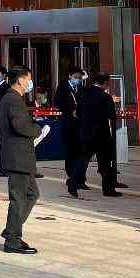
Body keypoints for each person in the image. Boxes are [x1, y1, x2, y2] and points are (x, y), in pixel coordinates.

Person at [0, 65, 46, 254]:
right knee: (19, 198)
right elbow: (21, 126)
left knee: (32, 194)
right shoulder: (12, 99)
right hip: (17, 157)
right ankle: (12, 239)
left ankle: (11, 230)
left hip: (21, 157)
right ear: (20, 80)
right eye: (28, 79)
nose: (29, 83)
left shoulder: (13, 98)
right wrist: (38, 129)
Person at [79, 73, 121, 198]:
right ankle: (108, 189)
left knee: (84, 160)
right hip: (102, 134)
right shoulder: (106, 97)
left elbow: (79, 112)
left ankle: (74, 181)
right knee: (105, 163)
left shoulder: (84, 95)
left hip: (86, 133)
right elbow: (112, 116)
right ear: (105, 83)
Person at [55, 66, 85, 197]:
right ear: (70, 76)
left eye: (79, 78)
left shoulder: (80, 88)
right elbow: (58, 103)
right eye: (75, 77)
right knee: (70, 152)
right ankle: (71, 176)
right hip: (68, 123)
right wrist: (69, 111)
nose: (77, 80)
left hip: (79, 124)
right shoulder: (63, 87)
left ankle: (80, 179)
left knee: (79, 152)